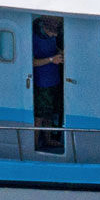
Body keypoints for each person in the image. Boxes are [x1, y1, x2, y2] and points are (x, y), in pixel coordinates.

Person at [31, 16, 65, 153]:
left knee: (49, 113)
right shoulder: (34, 38)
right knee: (39, 114)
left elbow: (53, 46)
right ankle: (33, 143)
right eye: (53, 34)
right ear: (46, 29)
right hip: (42, 82)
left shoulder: (52, 35)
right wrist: (52, 59)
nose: (54, 36)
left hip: (54, 79)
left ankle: (48, 138)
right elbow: (32, 62)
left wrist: (59, 52)